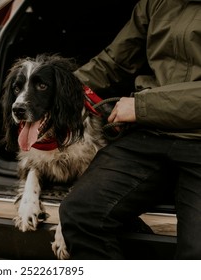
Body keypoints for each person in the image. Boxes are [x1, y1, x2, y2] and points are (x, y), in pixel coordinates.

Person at [59, 0, 201, 259]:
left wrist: (144, 106)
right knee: (81, 213)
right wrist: (61, 91)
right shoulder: (156, 2)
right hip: (152, 133)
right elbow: (116, 60)